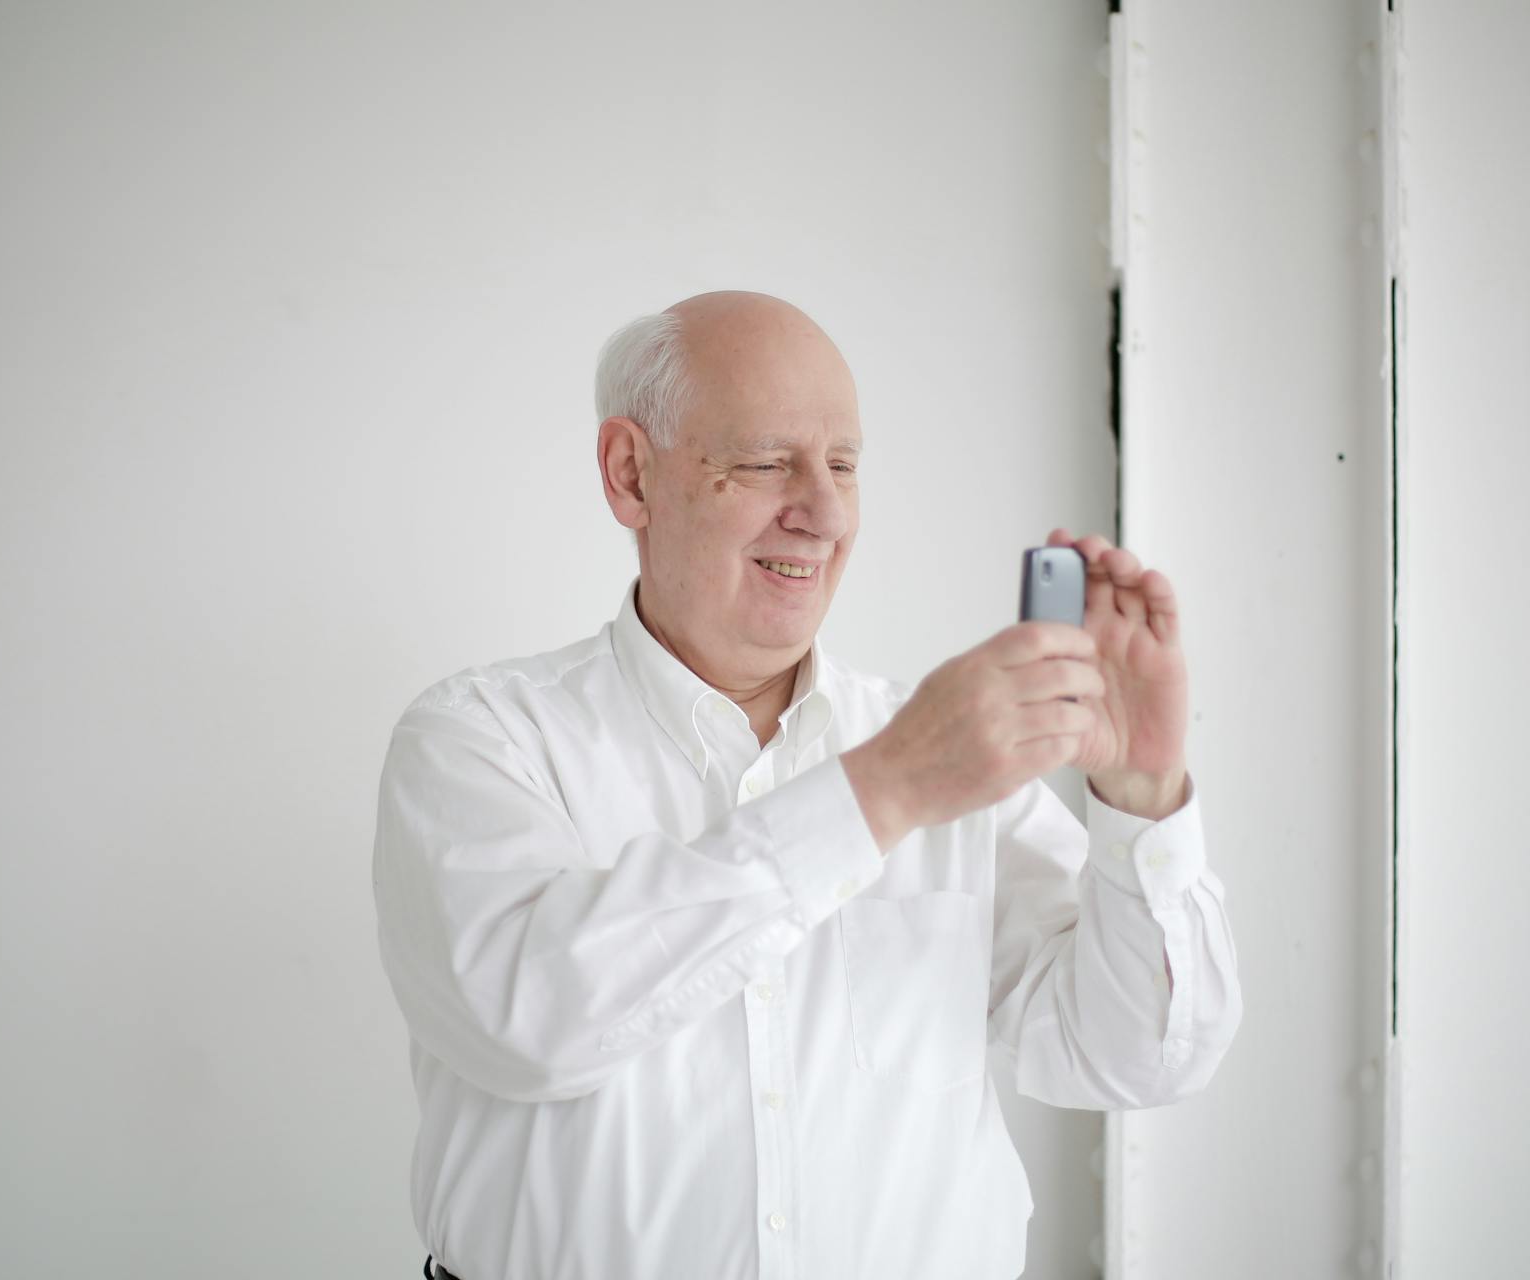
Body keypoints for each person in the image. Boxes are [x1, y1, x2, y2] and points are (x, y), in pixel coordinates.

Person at [372, 291, 1242, 1280]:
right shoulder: (480, 740)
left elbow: (1138, 1056)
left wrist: (1141, 794)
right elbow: (528, 1021)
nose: (824, 512)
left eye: (843, 465)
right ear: (630, 473)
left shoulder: (950, 754)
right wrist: (884, 790)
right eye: (764, 460)